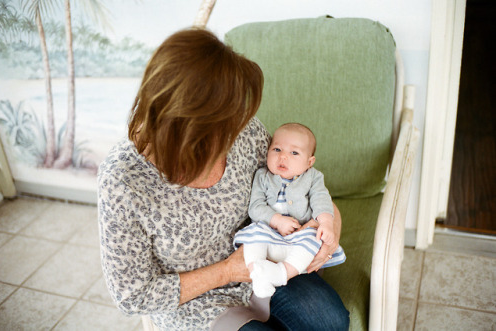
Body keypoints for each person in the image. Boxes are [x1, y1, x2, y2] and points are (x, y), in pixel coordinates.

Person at [97, 28, 349, 331]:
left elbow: (299, 184)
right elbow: (133, 296)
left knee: (330, 322)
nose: (238, 128)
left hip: (268, 257)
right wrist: (227, 271)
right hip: (195, 303)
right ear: (191, 127)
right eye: (224, 125)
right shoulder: (123, 181)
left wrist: (329, 224)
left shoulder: (241, 129)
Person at [234, 123, 346, 298]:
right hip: (268, 233)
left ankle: (281, 274)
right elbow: (255, 207)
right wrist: (276, 220)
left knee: (313, 237)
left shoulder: (313, 177)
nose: (283, 157)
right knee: (252, 235)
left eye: (294, 153)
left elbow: (321, 200)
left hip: (298, 235)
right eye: (277, 149)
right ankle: (257, 274)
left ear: (309, 162)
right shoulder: (262, 176)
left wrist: (326, 223)